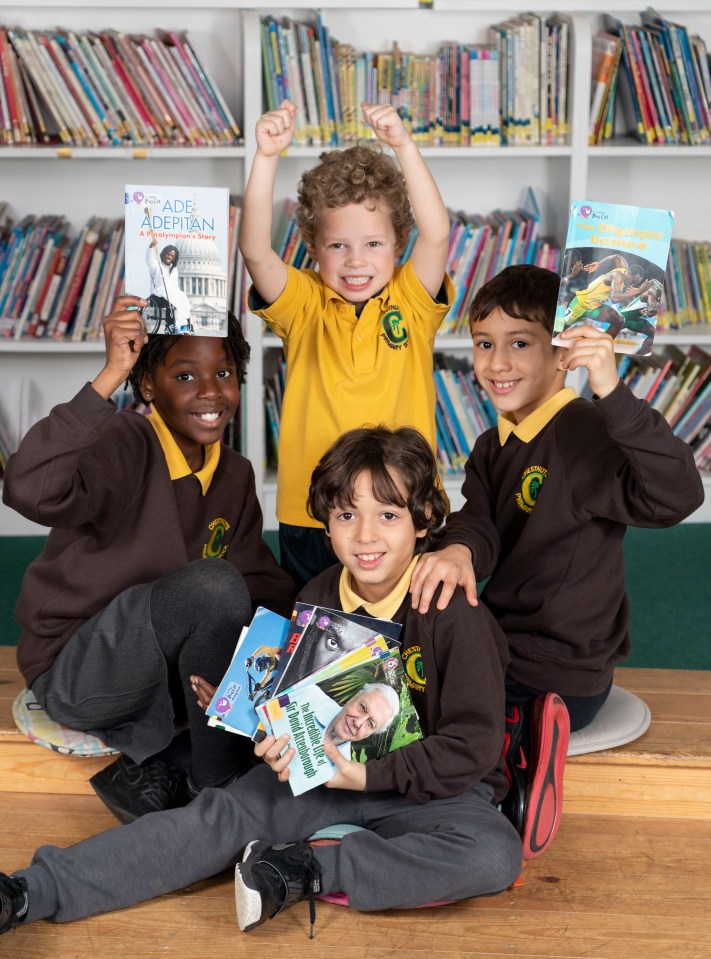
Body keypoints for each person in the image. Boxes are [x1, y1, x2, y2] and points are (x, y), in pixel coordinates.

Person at [0, 425, 522, 942]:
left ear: (424, 520)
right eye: (346, 515)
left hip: (433, 792)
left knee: (493, 853)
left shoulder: (454, 609)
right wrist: (270, 743)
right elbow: (295, 719)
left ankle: (308, 871)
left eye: (388, 515)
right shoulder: (316, 597)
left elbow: (473, 746)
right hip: (323, 784)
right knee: (213, 820)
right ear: (326, 525)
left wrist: (367, 779)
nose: (365, 536)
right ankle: (31, 891)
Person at [410, 263, 705, 850]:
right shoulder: (495, 443)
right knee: (418, 632)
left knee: (437, 714)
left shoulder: (586, 430)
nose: (497, 364)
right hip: (506, 649)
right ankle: (493, 761)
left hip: (560, 670)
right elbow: (478, 519)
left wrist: (612, 390)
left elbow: (676, 496)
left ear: (562, 351)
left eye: (520, 343)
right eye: (485, 345)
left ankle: (506, 782)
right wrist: (462, 549)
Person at [2, 296, 295, 823]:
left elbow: (262, 585)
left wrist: (320, 636)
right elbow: (28, 487)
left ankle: (166, 773)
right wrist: (111, 372)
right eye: (185, 376)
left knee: (242, 609)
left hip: (161, 678)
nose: (210, 392)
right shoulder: (124, 441)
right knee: (212, 586)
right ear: (147, 386)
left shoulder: (234, 473)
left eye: (224, 371)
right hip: (78, 671)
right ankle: (218, 793)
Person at [239, 97, 453, 589]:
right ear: (313, 248)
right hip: (313, 510)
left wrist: (403, 145)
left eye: (373, 244)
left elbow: (437, 232)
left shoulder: (412, 300)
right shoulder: (304, 304)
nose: (356, 261)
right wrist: (266, 157)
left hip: (403, 506)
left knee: (407, 626)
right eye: (338, 246)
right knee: (317, 626)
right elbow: (254, 250)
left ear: (399, 243)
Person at [559, 254, 645, 333]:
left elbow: (617, 257)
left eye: (635, 283)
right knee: (558, 330)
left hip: (595, 307)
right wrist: (638, 291)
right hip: (581, 304)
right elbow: (614, 298)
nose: (632, 284)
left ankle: (603, 344)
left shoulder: (624, 269)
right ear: (628, 274)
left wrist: (599, 264)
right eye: (633, 281)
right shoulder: (618, 275)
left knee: (619, 320)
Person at [145, 239, 192, 334]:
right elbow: (148, 259)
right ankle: (171, 325)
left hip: (171, 293)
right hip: (157, 294)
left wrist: (178, 295)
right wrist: (151, 247)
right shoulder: (155, 264)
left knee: (183, 299)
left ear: (174, 258)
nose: (169, 256)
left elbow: (174, 286)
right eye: (168, 254)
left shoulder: (174, 269)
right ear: (163, 253)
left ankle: (183, 326)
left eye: (172, 256)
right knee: (172, 299)